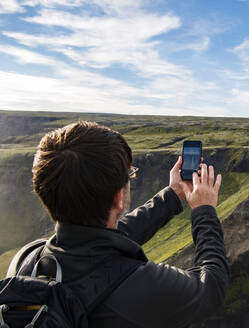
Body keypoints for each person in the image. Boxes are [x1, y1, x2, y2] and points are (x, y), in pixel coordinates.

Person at [6, 121, 229, 327]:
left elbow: (103, 238)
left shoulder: (26, 260)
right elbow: (211, 288)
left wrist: (173, 194)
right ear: (118, 198)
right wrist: (204, 210)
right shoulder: (143, 286)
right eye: (129, 175)